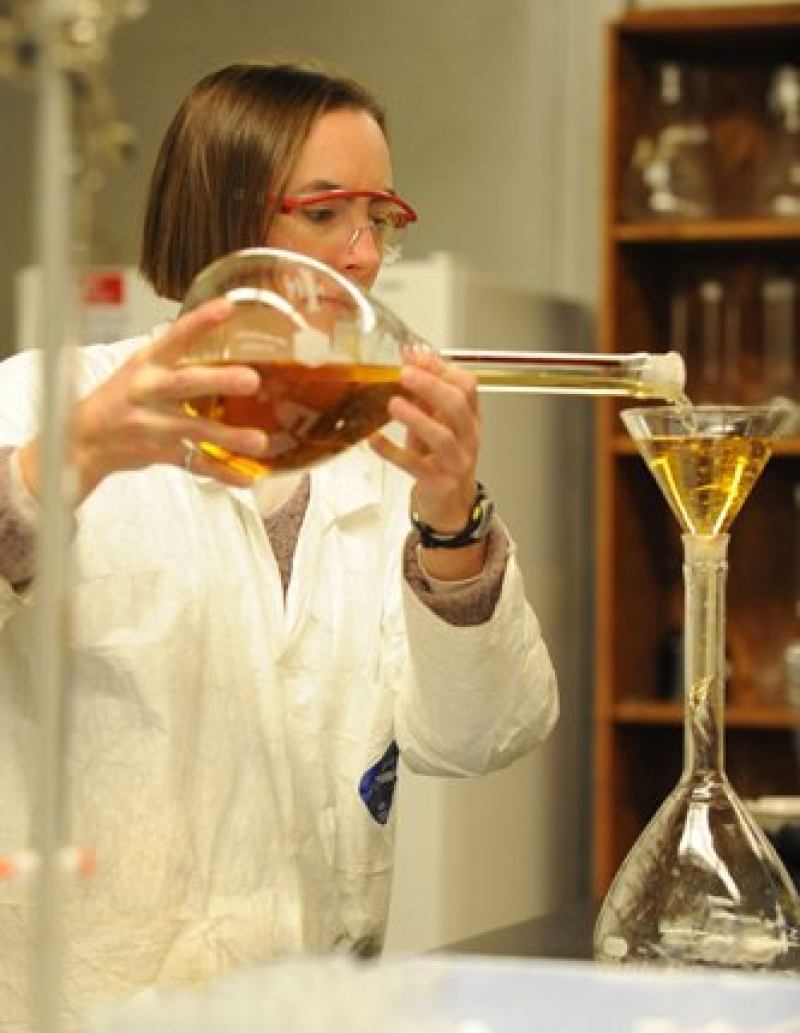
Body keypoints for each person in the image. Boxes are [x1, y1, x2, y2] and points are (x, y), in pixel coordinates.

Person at [0, 61, 558, 1026]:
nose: (366, 255)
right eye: (326, 213)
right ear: (220, 211)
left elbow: (476, 738)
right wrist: (63, 467)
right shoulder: (41, 398)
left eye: (381, 216)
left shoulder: (373, 452)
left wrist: (450, 517)